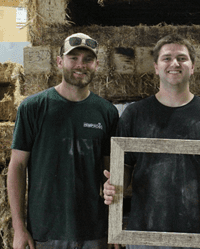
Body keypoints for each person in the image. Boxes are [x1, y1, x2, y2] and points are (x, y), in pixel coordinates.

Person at [103, 34, 200, 249]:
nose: (174, 63)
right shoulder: (135, 114)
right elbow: (126, 165)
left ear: (193, 67)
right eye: (167, 58)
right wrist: (115, 185)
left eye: (182, 58)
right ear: (156, 67)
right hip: (145, 234)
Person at [7, 33, 119, 249]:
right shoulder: (33, 108)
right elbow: (17, 166)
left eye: (88, 59)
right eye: (73, 58)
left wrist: (113, 227)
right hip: (46, 232)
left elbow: (111, 175)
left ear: (97, 65)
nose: (81, 65)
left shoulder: (107, 112)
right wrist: (19, 228)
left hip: (94, 233)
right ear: (59, 62)